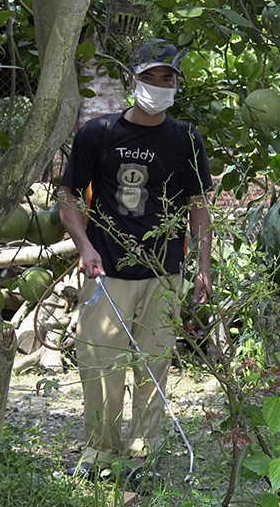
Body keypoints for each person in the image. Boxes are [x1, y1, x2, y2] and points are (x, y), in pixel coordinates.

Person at [57, 40, 213, 479]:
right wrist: (84, 245)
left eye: (169, 79)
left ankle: (142, 458)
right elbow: (67, 197)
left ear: (177, 85)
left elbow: (197, 205)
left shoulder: (184, 137)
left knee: (154, 364)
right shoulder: (98, 132)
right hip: (106, 269)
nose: (160, 86)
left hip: (165, 272)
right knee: (99, 362)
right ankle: (98, 454)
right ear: (133, 79)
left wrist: (202, 266)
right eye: (151, 77)